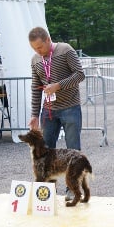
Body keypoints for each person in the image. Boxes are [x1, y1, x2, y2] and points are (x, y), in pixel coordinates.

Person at [28, 26, 85, 201]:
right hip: (48, 111)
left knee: (73, 150)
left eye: (40, 47)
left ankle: (72, 189)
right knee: (45, 151)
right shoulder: (35, 60)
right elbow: (36, 88)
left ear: (48, 40)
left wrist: (58, 86)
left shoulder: (65, 50)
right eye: (34, 49)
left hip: (70, 108)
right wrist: (34, 114)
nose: (38, 51)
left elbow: (80, 74)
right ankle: (46, 190)